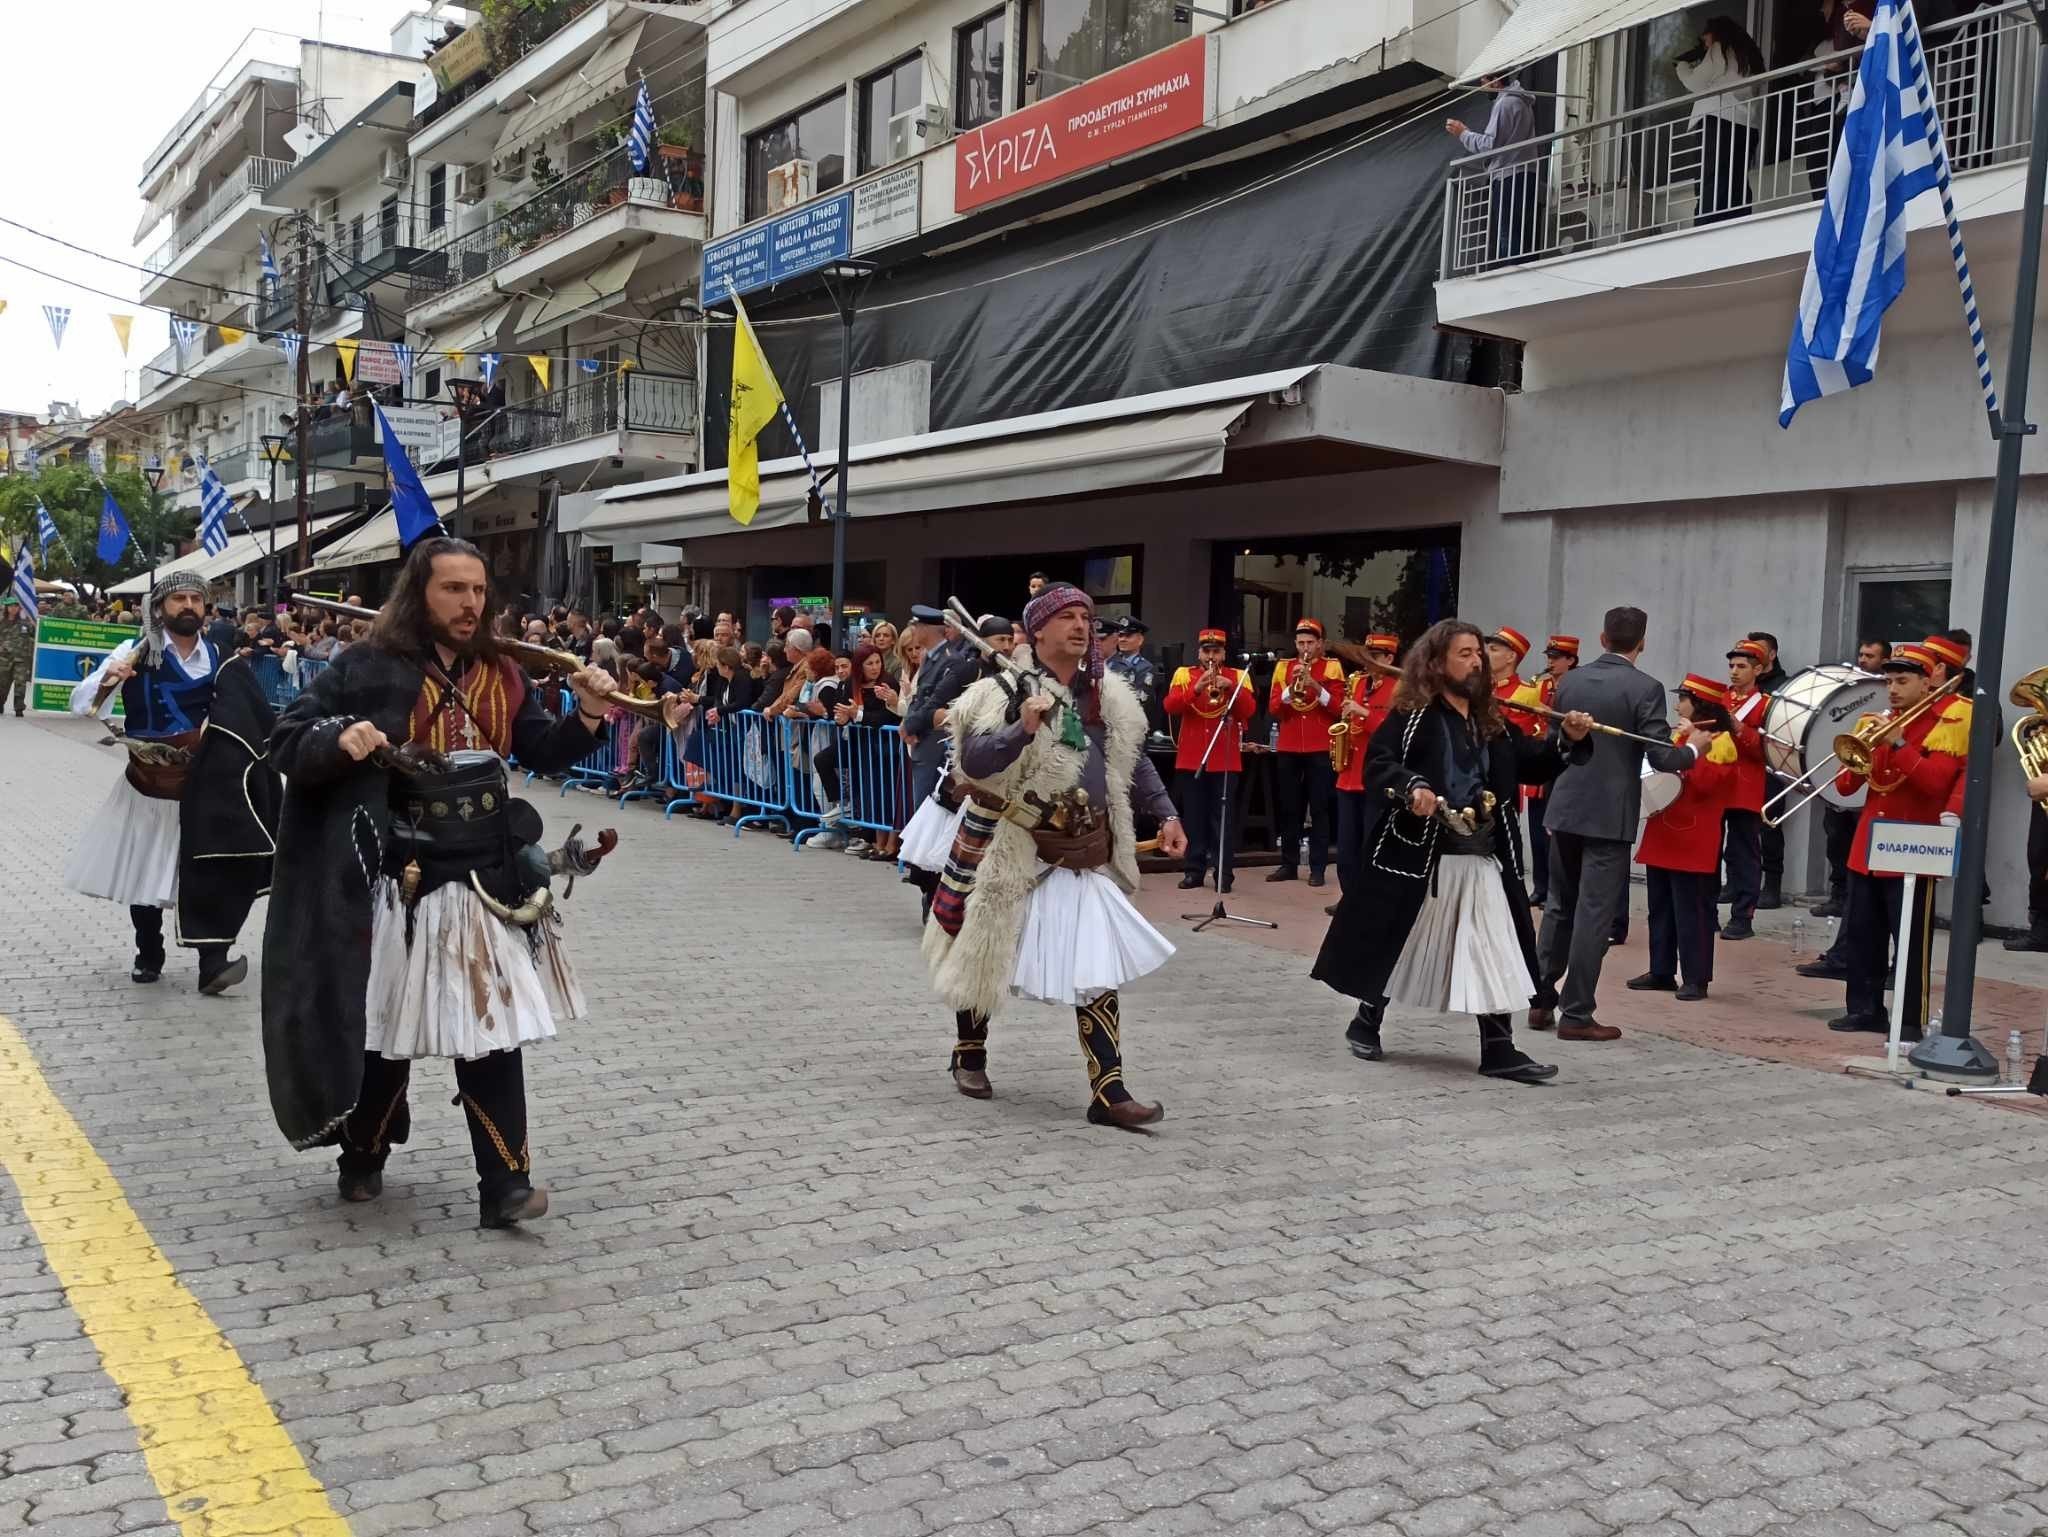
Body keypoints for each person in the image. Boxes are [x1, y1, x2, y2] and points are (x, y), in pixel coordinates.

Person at [260, 536, 622, 1228]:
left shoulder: (502, 668)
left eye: (478, 590)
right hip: (400, 873)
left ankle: (506, 1186)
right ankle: (362, 1156)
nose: (469, 603)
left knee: (489, 1029)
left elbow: (540, 748)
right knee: (386, 1030)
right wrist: (340, 738)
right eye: (454, 589)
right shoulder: (367, 666)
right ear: (419, 592)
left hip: (485, 873)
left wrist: (590, 714)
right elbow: (287, 738)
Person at [923, 584, 1187, 1128]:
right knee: (984, 945)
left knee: (1096, 965)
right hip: (1013, 841)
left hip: (1080, 846)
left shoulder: (1108, 697)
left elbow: (1132, 763)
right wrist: (1023, 727)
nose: (1080, 625)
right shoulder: (999, 691)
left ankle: (1108, 1091)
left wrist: (1166, 813)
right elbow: (973, 761)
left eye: (1085, 617)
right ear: (1037, 630)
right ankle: (969, 1051)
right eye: (1066, 616)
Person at [1313, 619, 1593, 1083]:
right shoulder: (1415, 716)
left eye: (1478, 654)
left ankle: (1499, 1048)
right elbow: (1380, 764)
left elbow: (1534, 765)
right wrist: (1413, 786)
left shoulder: (1492, 722)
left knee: (1491, 944)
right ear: (1437, 661)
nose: (1476, 661)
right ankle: (1366, 1019)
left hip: (1483, 852)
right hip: (1420, 853)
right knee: (1398, 938)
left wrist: (1570, 739)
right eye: (1465, 653)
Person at [64, 571, 280, 993]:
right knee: (148, 872)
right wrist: (111, 677)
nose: (188, 606)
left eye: (195, 599)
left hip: (208, 784)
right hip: (151, 782)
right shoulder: (134, 651)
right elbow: (80, 705)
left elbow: (249, 713)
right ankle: (149, 949)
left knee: (210, 868)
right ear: (160, 608)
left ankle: (212, 962)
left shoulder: (221, 656)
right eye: (178, 599)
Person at [1534, 606, 1714, 1040]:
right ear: (1643, 642)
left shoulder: (1570, 680)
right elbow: (1661, 757)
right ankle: (1576, 1013)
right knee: (1593, 913)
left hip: (1566, 805)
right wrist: (1695, 749)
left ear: (1601, 638)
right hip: (1608, 814)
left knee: (1559, 907)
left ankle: (1539, 1002)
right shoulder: (1645, 687)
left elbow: (1555, 740)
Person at [1829, 644, 1966, 1041]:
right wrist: (1859, 755)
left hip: (1912, 847)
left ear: (1927, 682)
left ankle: (1909, 1020)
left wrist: (1901, 745)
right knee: (1862, 934)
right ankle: (1864, 1009)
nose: (1892, 689)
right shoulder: (1879, 720)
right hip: (1869, 847)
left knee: (1910, 941)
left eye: (1902, 681)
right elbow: (1845, 785)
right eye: (1888, 681)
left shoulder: (1946, 723)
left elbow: (1935, 784)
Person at [1630, 676, 1741, 1001]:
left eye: (1683, 700)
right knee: (1660, 909)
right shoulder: (1680, 736)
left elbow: (1707, 784)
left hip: (1693, 838)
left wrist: (1691, 746)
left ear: (1700, 706)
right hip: (1663, 832)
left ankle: (1696, 977)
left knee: (1692, 912)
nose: (1677, 706)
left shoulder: (1721, 743)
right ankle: (1661, 970)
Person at [1163, 628, 1258, 894]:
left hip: (1224, 758)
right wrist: (1196, 689)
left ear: (1224, 653)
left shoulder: (1238, 677)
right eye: (1207, 651)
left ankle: (1223, 874)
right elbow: (1170, 706)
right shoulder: (1185, 675)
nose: (1211, 656)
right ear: (1199, 652)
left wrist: (1232, 692)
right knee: (1194, 817)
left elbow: (1249, 712)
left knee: (1223, 819)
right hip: (1191, 757)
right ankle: (1193, 871)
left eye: (1216, 651)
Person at [1267, 618, 1346, 888]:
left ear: (1320, 643)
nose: (1305, 648)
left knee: (1320, 808)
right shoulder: (1284, 667)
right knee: (1290, 807)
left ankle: (1318, 868)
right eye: (1301, 643)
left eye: (1310, 643)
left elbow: (1338, 709)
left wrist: (1315, 686)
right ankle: (1288, 864)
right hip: (1289, 746)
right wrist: (1291, 689)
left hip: (1320, 747)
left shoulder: (1332, 667)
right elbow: (1275, 708)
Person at [1332, 633, 1403, 900]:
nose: (1368, 662)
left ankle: (1369, 898)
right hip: (1349, 773)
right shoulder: (1358, 682)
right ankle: (1348, 896)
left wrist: (1364, 713)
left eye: (1374, 657)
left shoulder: (1399, 687)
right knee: (1346, 844)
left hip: (1375, 776)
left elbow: (1396, 731)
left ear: (1389, 658)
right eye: (1366, 657)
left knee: (1371, 842)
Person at [1675, 18, 1766, 225]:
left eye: (1705, 35)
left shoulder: (1720, 48)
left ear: (1715, 33)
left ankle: (1706, 226)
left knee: (1711, 176)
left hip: (1719, 119)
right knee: (1736, 178)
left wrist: (1681, 67)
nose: (1703, 41)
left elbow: (1695, 82)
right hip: (1746, 125)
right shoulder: (1749, 55)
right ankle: (1737, 221)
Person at [1447, 75, 1540, 265]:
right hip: (1526, 172)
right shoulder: (1522, 102)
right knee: (1523, 228)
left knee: (1508, 230)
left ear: (1496, 81)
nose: (1482, 87)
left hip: (1509, 174)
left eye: (1483, 82)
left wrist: (1463, 133)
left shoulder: (1504, 104)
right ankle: (1523, 268)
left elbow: (1489, 145)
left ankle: (1511, 271)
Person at [1719, 638, 1772, 939]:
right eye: (1731, 666)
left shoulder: (1765, 705)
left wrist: (1739, 729)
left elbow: (1767, 749)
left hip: (1745, 788)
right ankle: (1707, 912)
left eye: (1741, 666)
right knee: (1711, 852)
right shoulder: (1719, 698)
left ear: (1758, 669)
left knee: (1743, 854)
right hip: (1715, 784)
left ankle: (1742, 917)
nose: (1734, 672)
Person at [1526, 636, 1580, 905]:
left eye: (1556, 657)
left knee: (1555, 835)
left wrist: (1548, 713)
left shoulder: (1577, 686)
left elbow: (1576, 725)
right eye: (1549, 656)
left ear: (1570, 660)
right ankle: (1540, 886)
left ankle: (1556, 891)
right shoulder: (1541, 684)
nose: (1550, 661)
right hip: (1538, 760)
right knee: (1536, 831)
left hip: (1561, 762)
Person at [1105, 617, 1160, 731]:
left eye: (1128, 636)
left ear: (1140, 640)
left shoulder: (1146, 668)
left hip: (1130, 727)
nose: (1122, 639)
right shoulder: (1109, 663)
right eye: (1120, 636)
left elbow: (1140, 702)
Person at [0, 590, 31, 716]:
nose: (13, 608)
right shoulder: (1, 623)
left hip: (21, 659)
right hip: (4, 658)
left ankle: (19, 708)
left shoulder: (25, 624)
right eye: (10, 606)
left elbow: (38, 634)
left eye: (15, 606)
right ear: (6, 608)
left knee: (20, 684)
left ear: (19, 608)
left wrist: (35, 622)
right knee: (2, 683)